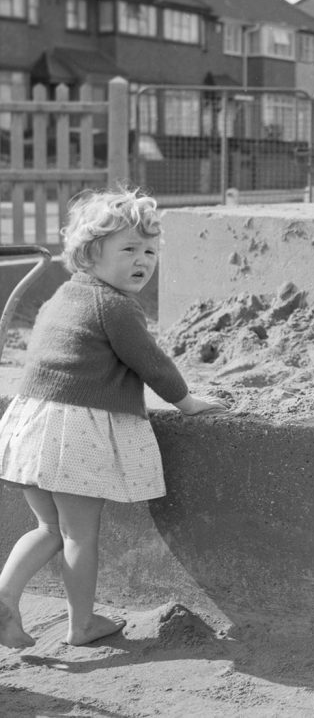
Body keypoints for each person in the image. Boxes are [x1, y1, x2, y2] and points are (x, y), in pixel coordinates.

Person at [0, 187, 227, 649]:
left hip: (31, 426)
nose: (142, 260)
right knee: (79, 535)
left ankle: (4, 596)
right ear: (89, 255)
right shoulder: (117, 306)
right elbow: (151, 361)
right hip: (72, 435)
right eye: (128, 249)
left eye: (149, 250)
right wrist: (185, 401)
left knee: (48, 528)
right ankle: (81, 625)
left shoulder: (63, 296)